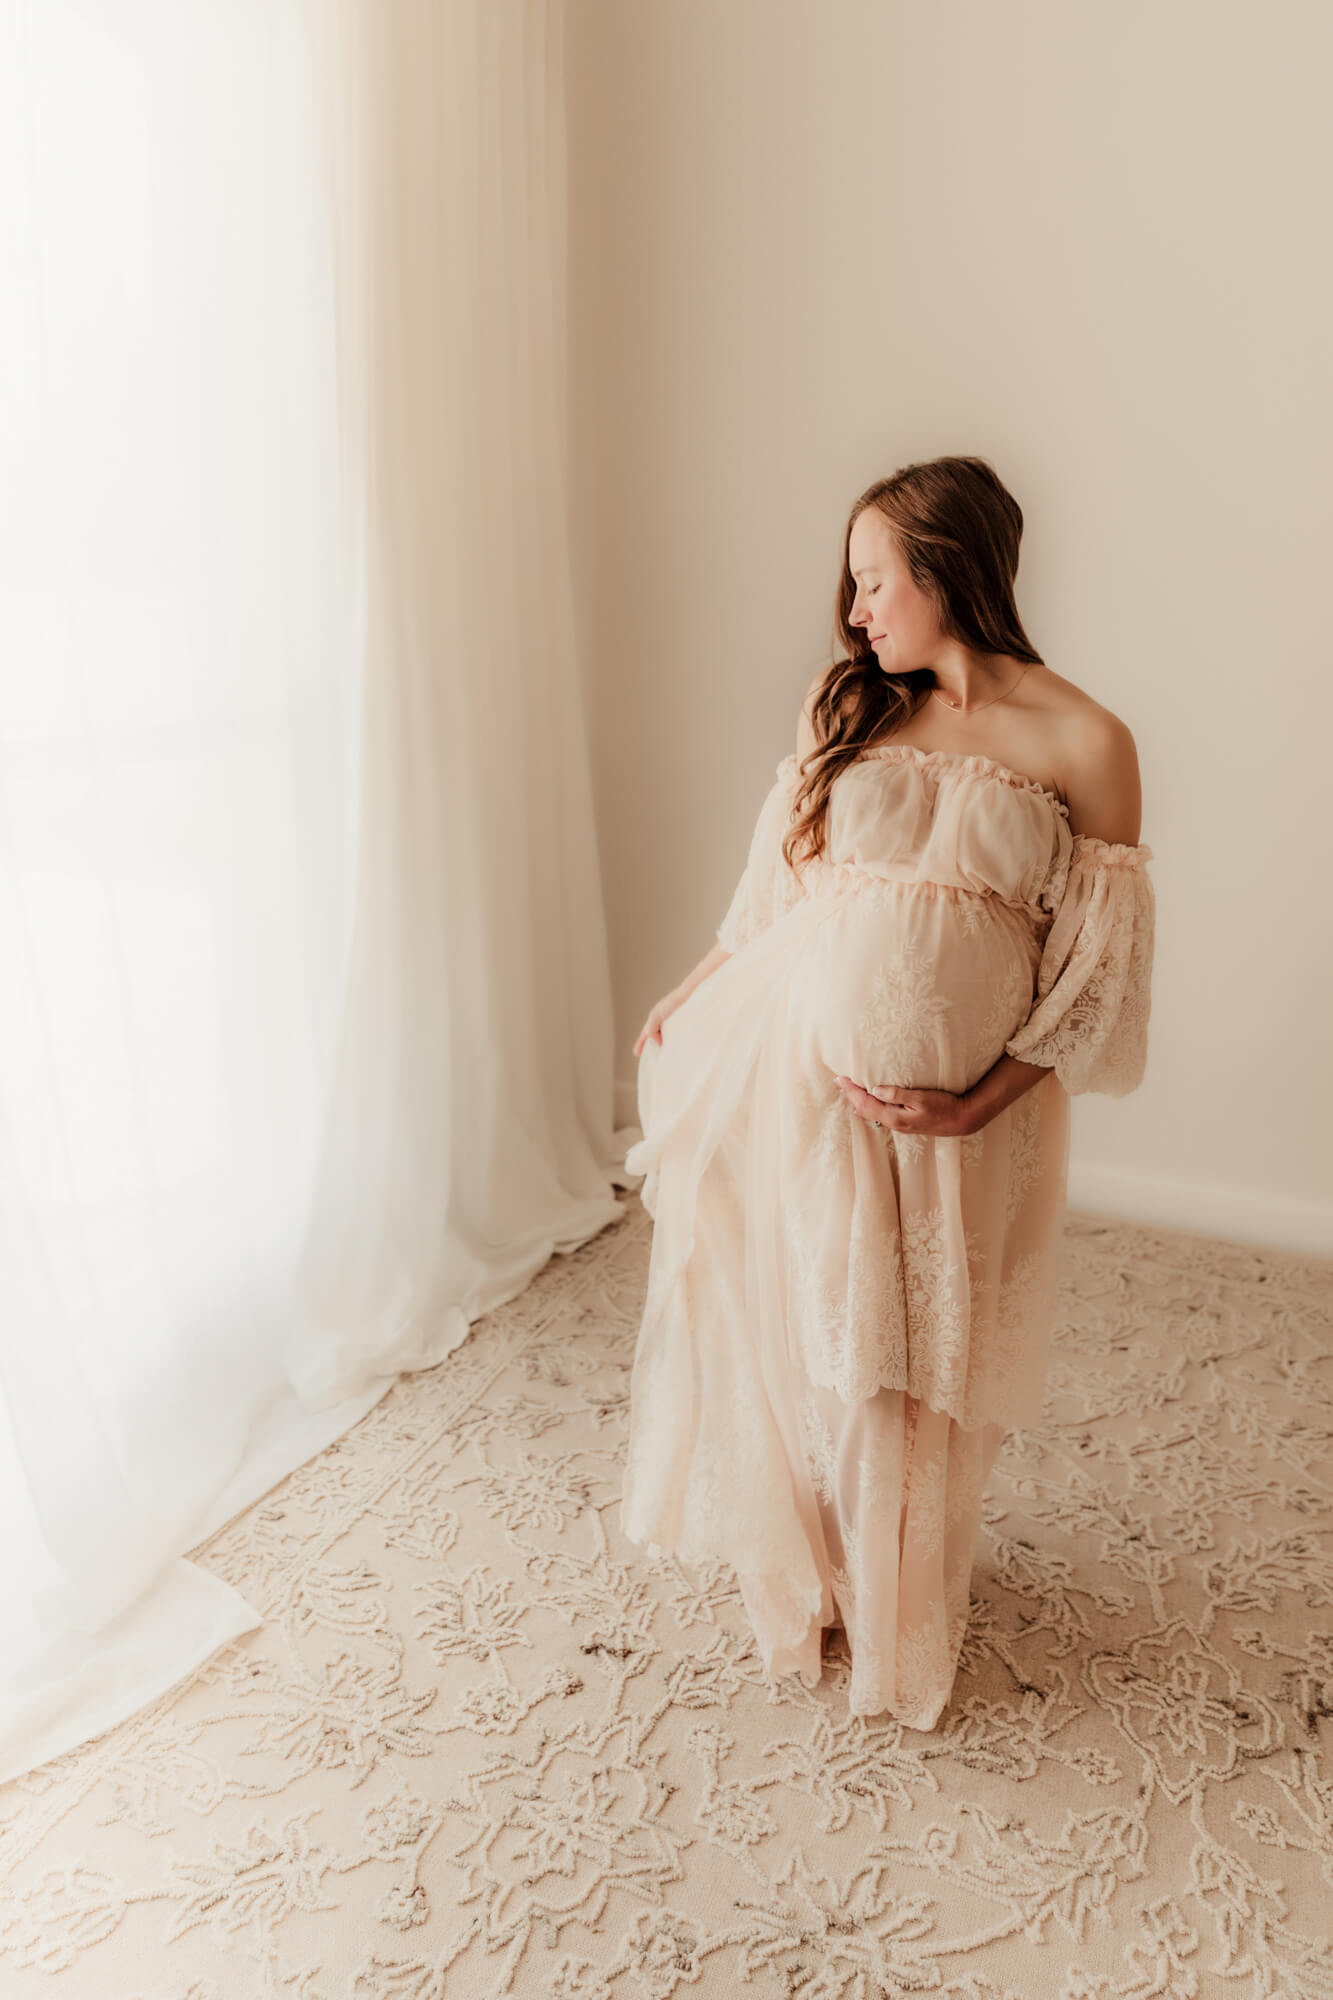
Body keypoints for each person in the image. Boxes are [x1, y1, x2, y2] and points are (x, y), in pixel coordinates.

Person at [619, 455, 1157, 1730]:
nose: (855, 611)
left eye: (874, 580)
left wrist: (982, 1102)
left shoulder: (1086, 742)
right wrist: (692, 992)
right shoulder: (847, 705)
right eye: (852, 585)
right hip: (811, 1077)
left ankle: (905, 1585)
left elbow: (1099, 977)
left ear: (949, 566)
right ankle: (826, 1565)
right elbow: (778, 892)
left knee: (928, 1362)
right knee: (836, 1337)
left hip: (965, 1119)